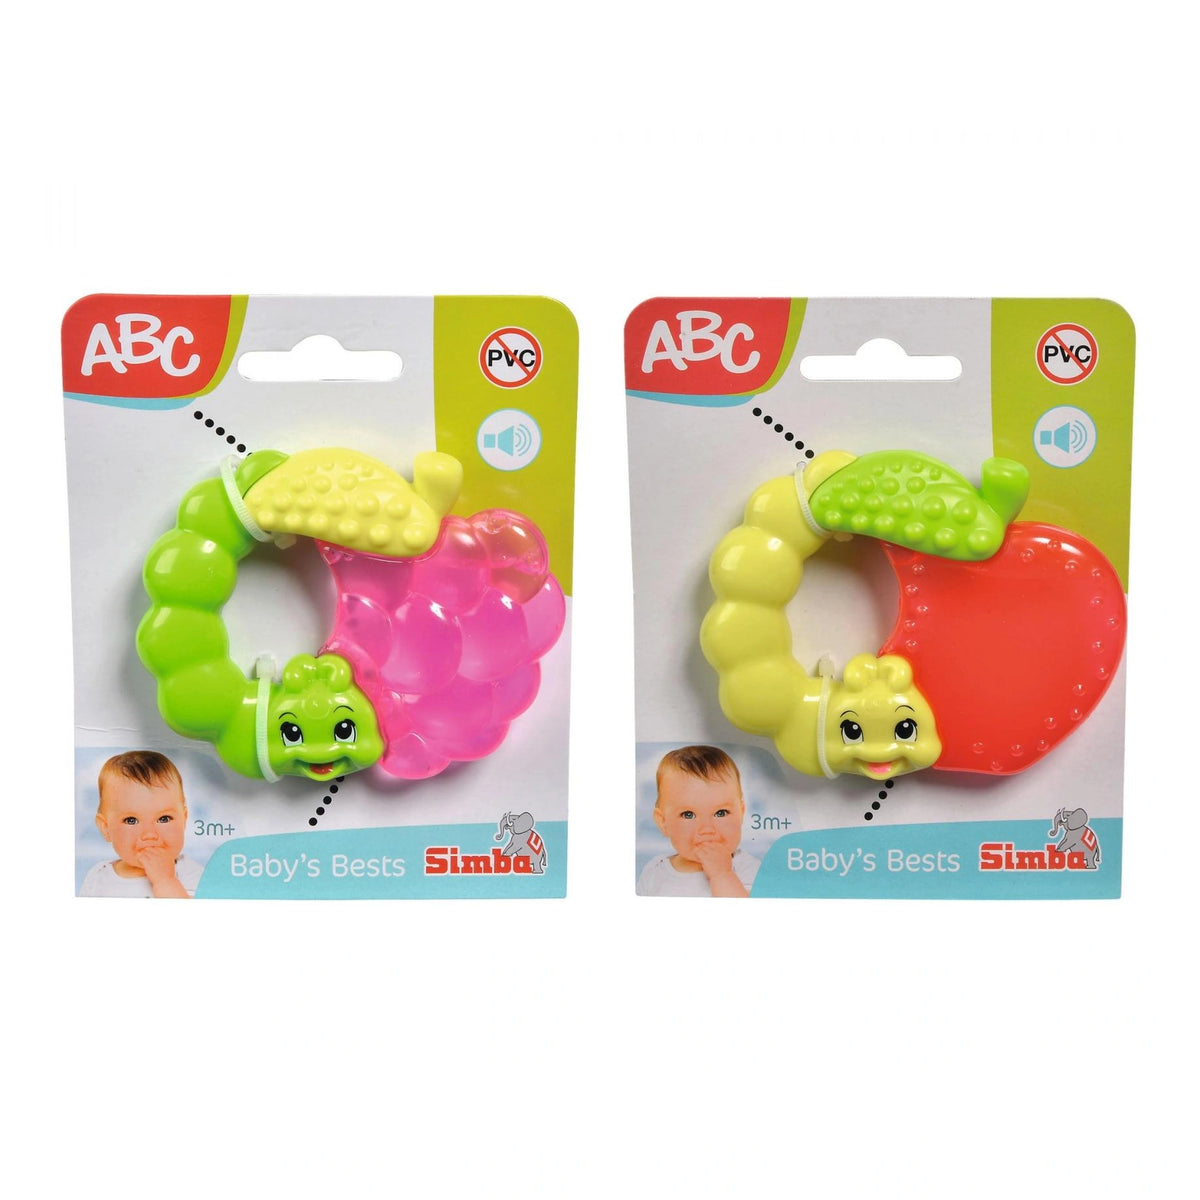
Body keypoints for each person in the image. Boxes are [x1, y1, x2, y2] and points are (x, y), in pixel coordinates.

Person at [638, 745, 759, 897]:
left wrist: (722, 874)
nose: (706, 829)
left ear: (741, 813)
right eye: (688, 815)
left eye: (721, 813)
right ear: (663, 822)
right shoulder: (655, 871)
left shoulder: (748, 869)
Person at [80, 751, 202, 898]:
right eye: (131, 820)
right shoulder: (98, 876)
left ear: (184, 820)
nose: (149, 834)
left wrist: (165, 880)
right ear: (105, 828)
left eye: (164, 818)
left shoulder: (190, 874)